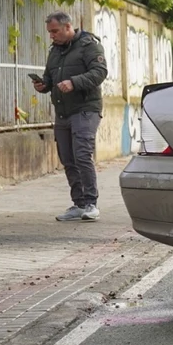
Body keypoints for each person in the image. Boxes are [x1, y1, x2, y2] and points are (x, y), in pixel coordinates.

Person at [32, 12, 108, 222]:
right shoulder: (55, 51)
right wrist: (43, 85)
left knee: (82, 155)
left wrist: (74, 82)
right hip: (63, 112)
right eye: (49, 32)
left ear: (68, 27)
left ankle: (92, 204)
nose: (52, 36)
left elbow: (100, 72)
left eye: (55, 31)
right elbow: (50, 77)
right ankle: (79, 204)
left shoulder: (89, 45)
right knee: (68, 158)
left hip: (85, 109)